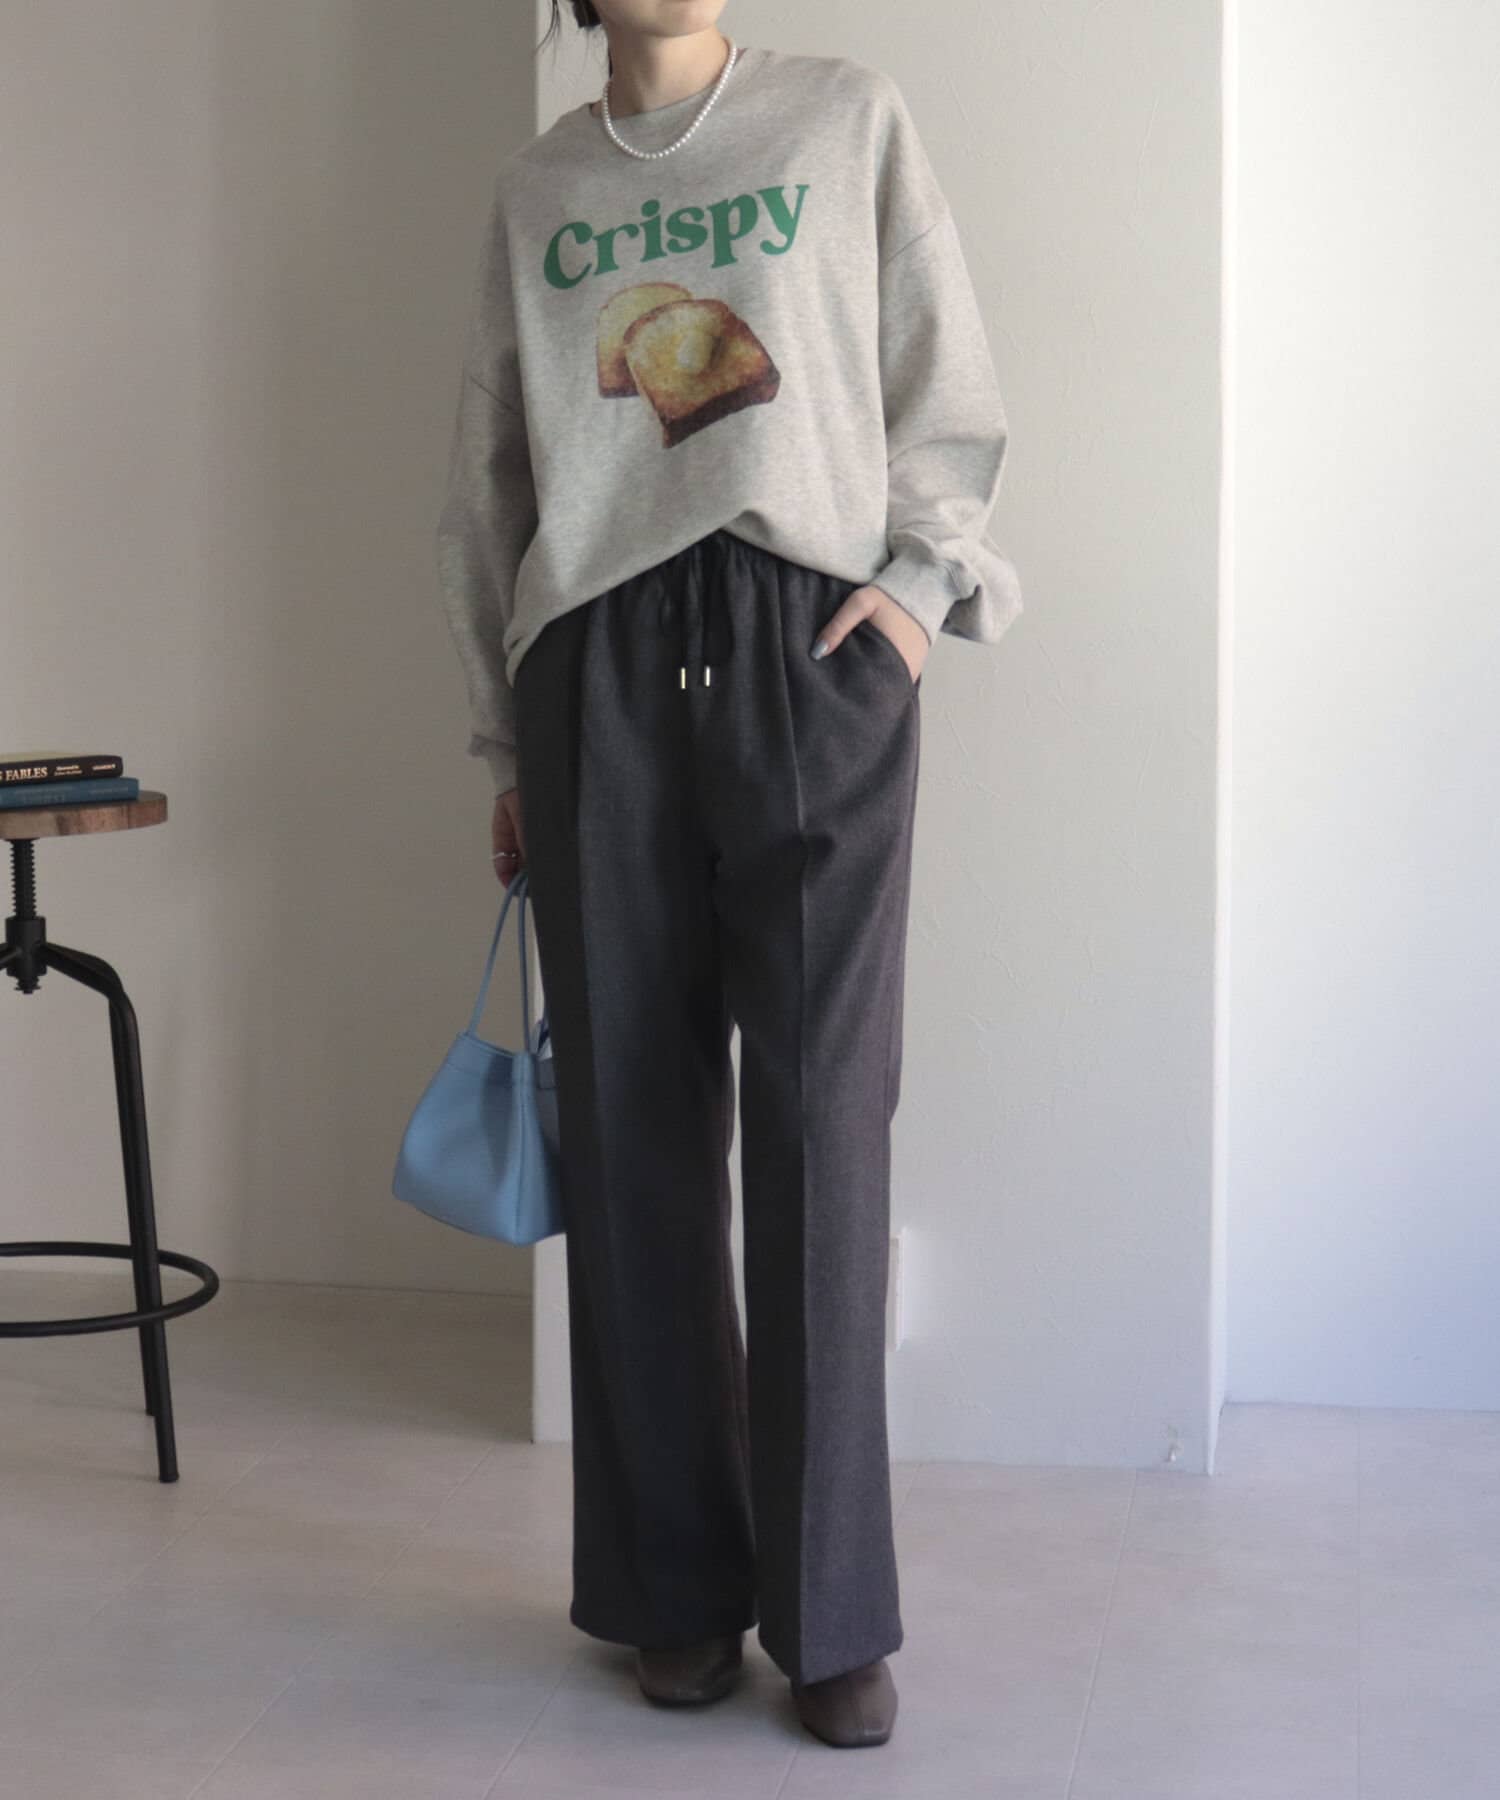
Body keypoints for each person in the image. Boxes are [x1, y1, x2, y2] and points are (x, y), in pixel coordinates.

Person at [434, 0, 1022, 1751]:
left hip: (807, 644)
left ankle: (830, 1610)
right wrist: (508, 742)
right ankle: (671, 1586)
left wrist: (917, 595)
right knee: (633, 1125)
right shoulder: (540, 189)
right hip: (598, 665)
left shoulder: (844, 118)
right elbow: (491, 479)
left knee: (827, 1122)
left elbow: (940, 370)